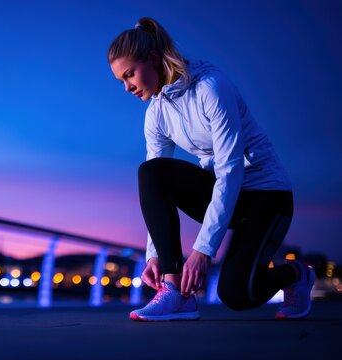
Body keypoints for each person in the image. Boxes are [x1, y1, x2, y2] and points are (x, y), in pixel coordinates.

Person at [108, 17, 315, 321]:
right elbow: (156, 186)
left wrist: (203, 251)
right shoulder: (157, 113)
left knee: (236, 294)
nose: (126, 87)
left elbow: (231, 169)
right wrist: (155, 254)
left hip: (266, 196)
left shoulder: (211, 88)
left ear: (153, 60)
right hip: (227, 196)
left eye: (130, 75)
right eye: (120, 81)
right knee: (151, 172)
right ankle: (174, 291)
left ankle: (296, 274)